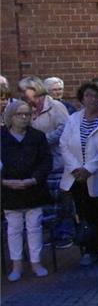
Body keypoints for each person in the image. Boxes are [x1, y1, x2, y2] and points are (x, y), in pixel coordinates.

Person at [59, 81, 98, 266]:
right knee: (83, 215)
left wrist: (89, 168)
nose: (92, 99)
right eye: (88, 96)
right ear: (82, 99)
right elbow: (64, 144)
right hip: (76, 177)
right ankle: (89, 250)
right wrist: (76, 168)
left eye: (96, 96)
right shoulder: (73, 119)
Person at [2, 99, 53, 280]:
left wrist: (33, 179)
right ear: (11, 116)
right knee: (14, 227)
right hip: (9, 189)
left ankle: (36, 262)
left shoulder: (37, 136)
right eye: (19, 114)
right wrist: (5, 182)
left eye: (27, 114)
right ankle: (16, 265)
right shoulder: (2, 136)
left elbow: (46, 161)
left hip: (33, 189)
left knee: (34, 226)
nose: (24, 118)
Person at [20, 75, 70, 173]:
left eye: (25, 92)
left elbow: (65, 129)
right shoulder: (27, 107)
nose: (24, 96)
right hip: (36, 164)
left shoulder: (55, 106)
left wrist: (42, 140)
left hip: (56, 163)